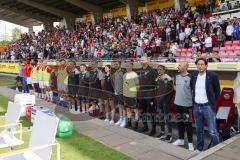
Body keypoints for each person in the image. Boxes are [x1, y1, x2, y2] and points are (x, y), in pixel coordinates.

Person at [190, 58, 220, 152]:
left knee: (212, 131)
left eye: (202, 64)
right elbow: (192, 87)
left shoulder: (212, 76)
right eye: (198, 64)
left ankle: (216, 149)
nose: (200, 66)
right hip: (196, 107)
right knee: (199, 130)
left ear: (206, 65)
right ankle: (199, 148)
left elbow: (217, 91)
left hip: (208, 107)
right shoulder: (194, 75)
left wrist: (211, 103)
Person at [172, 62, 194, 151]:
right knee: (180, 122)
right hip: (177, 104)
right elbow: (175, 87)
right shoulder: (176, 76)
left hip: (187, 105)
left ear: (185, 67)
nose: (178, 66)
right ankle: (181, 140)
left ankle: (190, 143)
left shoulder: (191, 77)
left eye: (180, 65)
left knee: (188, 124)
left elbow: (193, 90)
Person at [137, 56, 158, 135]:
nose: (142, 61)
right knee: (143, 111)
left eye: (143, 60)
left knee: (152, 112)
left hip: (149, 95)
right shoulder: (139, 71)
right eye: (141, 60)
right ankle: (145, 126)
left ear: (147, 60)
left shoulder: (152, 71)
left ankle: (153, 129)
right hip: (141, 95)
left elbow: (157, 82)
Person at [155, 65, 174, 142]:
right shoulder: (157, 78)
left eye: (160, 69)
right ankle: (162, 133)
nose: (159, 71)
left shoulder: (168, 78)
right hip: (159, 101)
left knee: (167, 118)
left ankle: (169, 134)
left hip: (166, 102)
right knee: (160, 117)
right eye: (158, 70)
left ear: (164, 70)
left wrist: (167, 101)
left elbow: (171, 91)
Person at [123, 63, 139, 129]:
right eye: (126, 66)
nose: (127, 67)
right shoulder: (124, 75)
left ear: (132, 66)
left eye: (128, 66)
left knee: (135, 110)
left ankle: (136, 124)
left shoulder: (135, 74)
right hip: (125, 95)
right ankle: (129, 123)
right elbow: (124, 85)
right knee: (128, 109)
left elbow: (137, 85)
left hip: (132, 95)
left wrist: (135, 94)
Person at [112, 61, 125, 127]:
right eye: (115, 64)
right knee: (119, 106)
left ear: (120, 65)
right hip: (117, 93)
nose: (116, 65)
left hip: (122, 93)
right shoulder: (115, 73)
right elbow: (114, 83)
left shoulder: (122, 72)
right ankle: (121, 118)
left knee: (123, 107)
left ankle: (124, 120)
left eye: (117, 64)